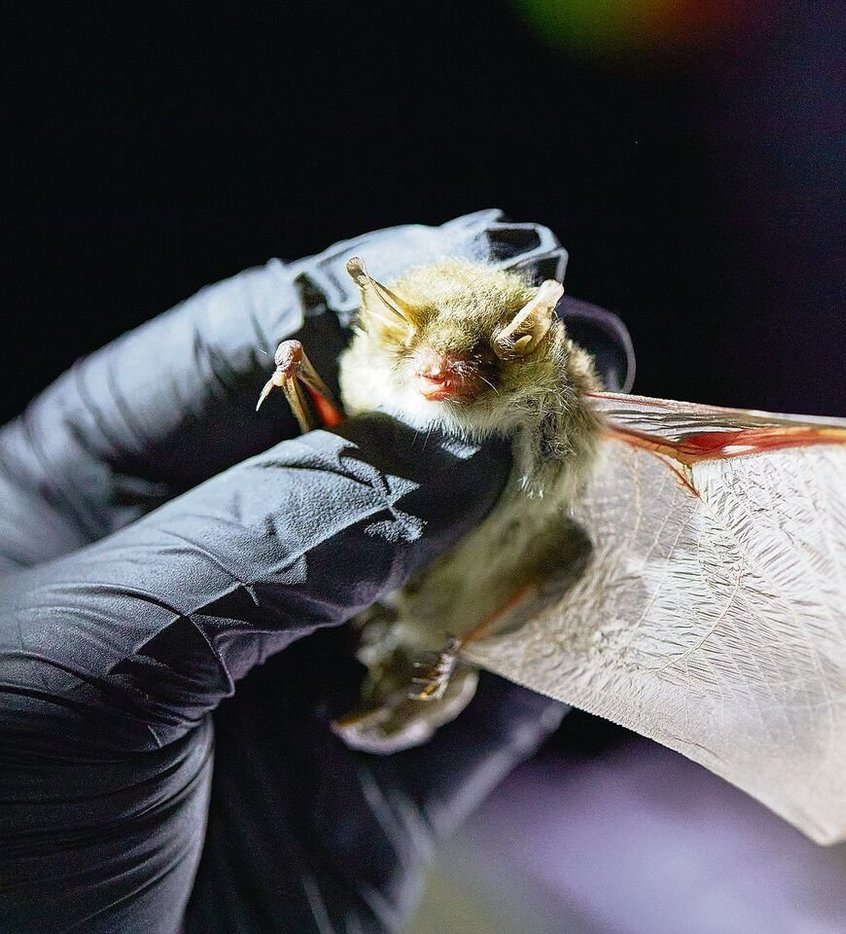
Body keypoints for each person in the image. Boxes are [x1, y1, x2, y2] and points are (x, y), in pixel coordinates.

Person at [0, 213, 633, 933]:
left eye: (477, 367)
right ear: (397, 334)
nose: (445, 376)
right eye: (432, 359)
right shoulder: (371, 362)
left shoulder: (563, 406)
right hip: (368, 621)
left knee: (575, 567)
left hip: (471, 589)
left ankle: (439, 658)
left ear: (524, 348)